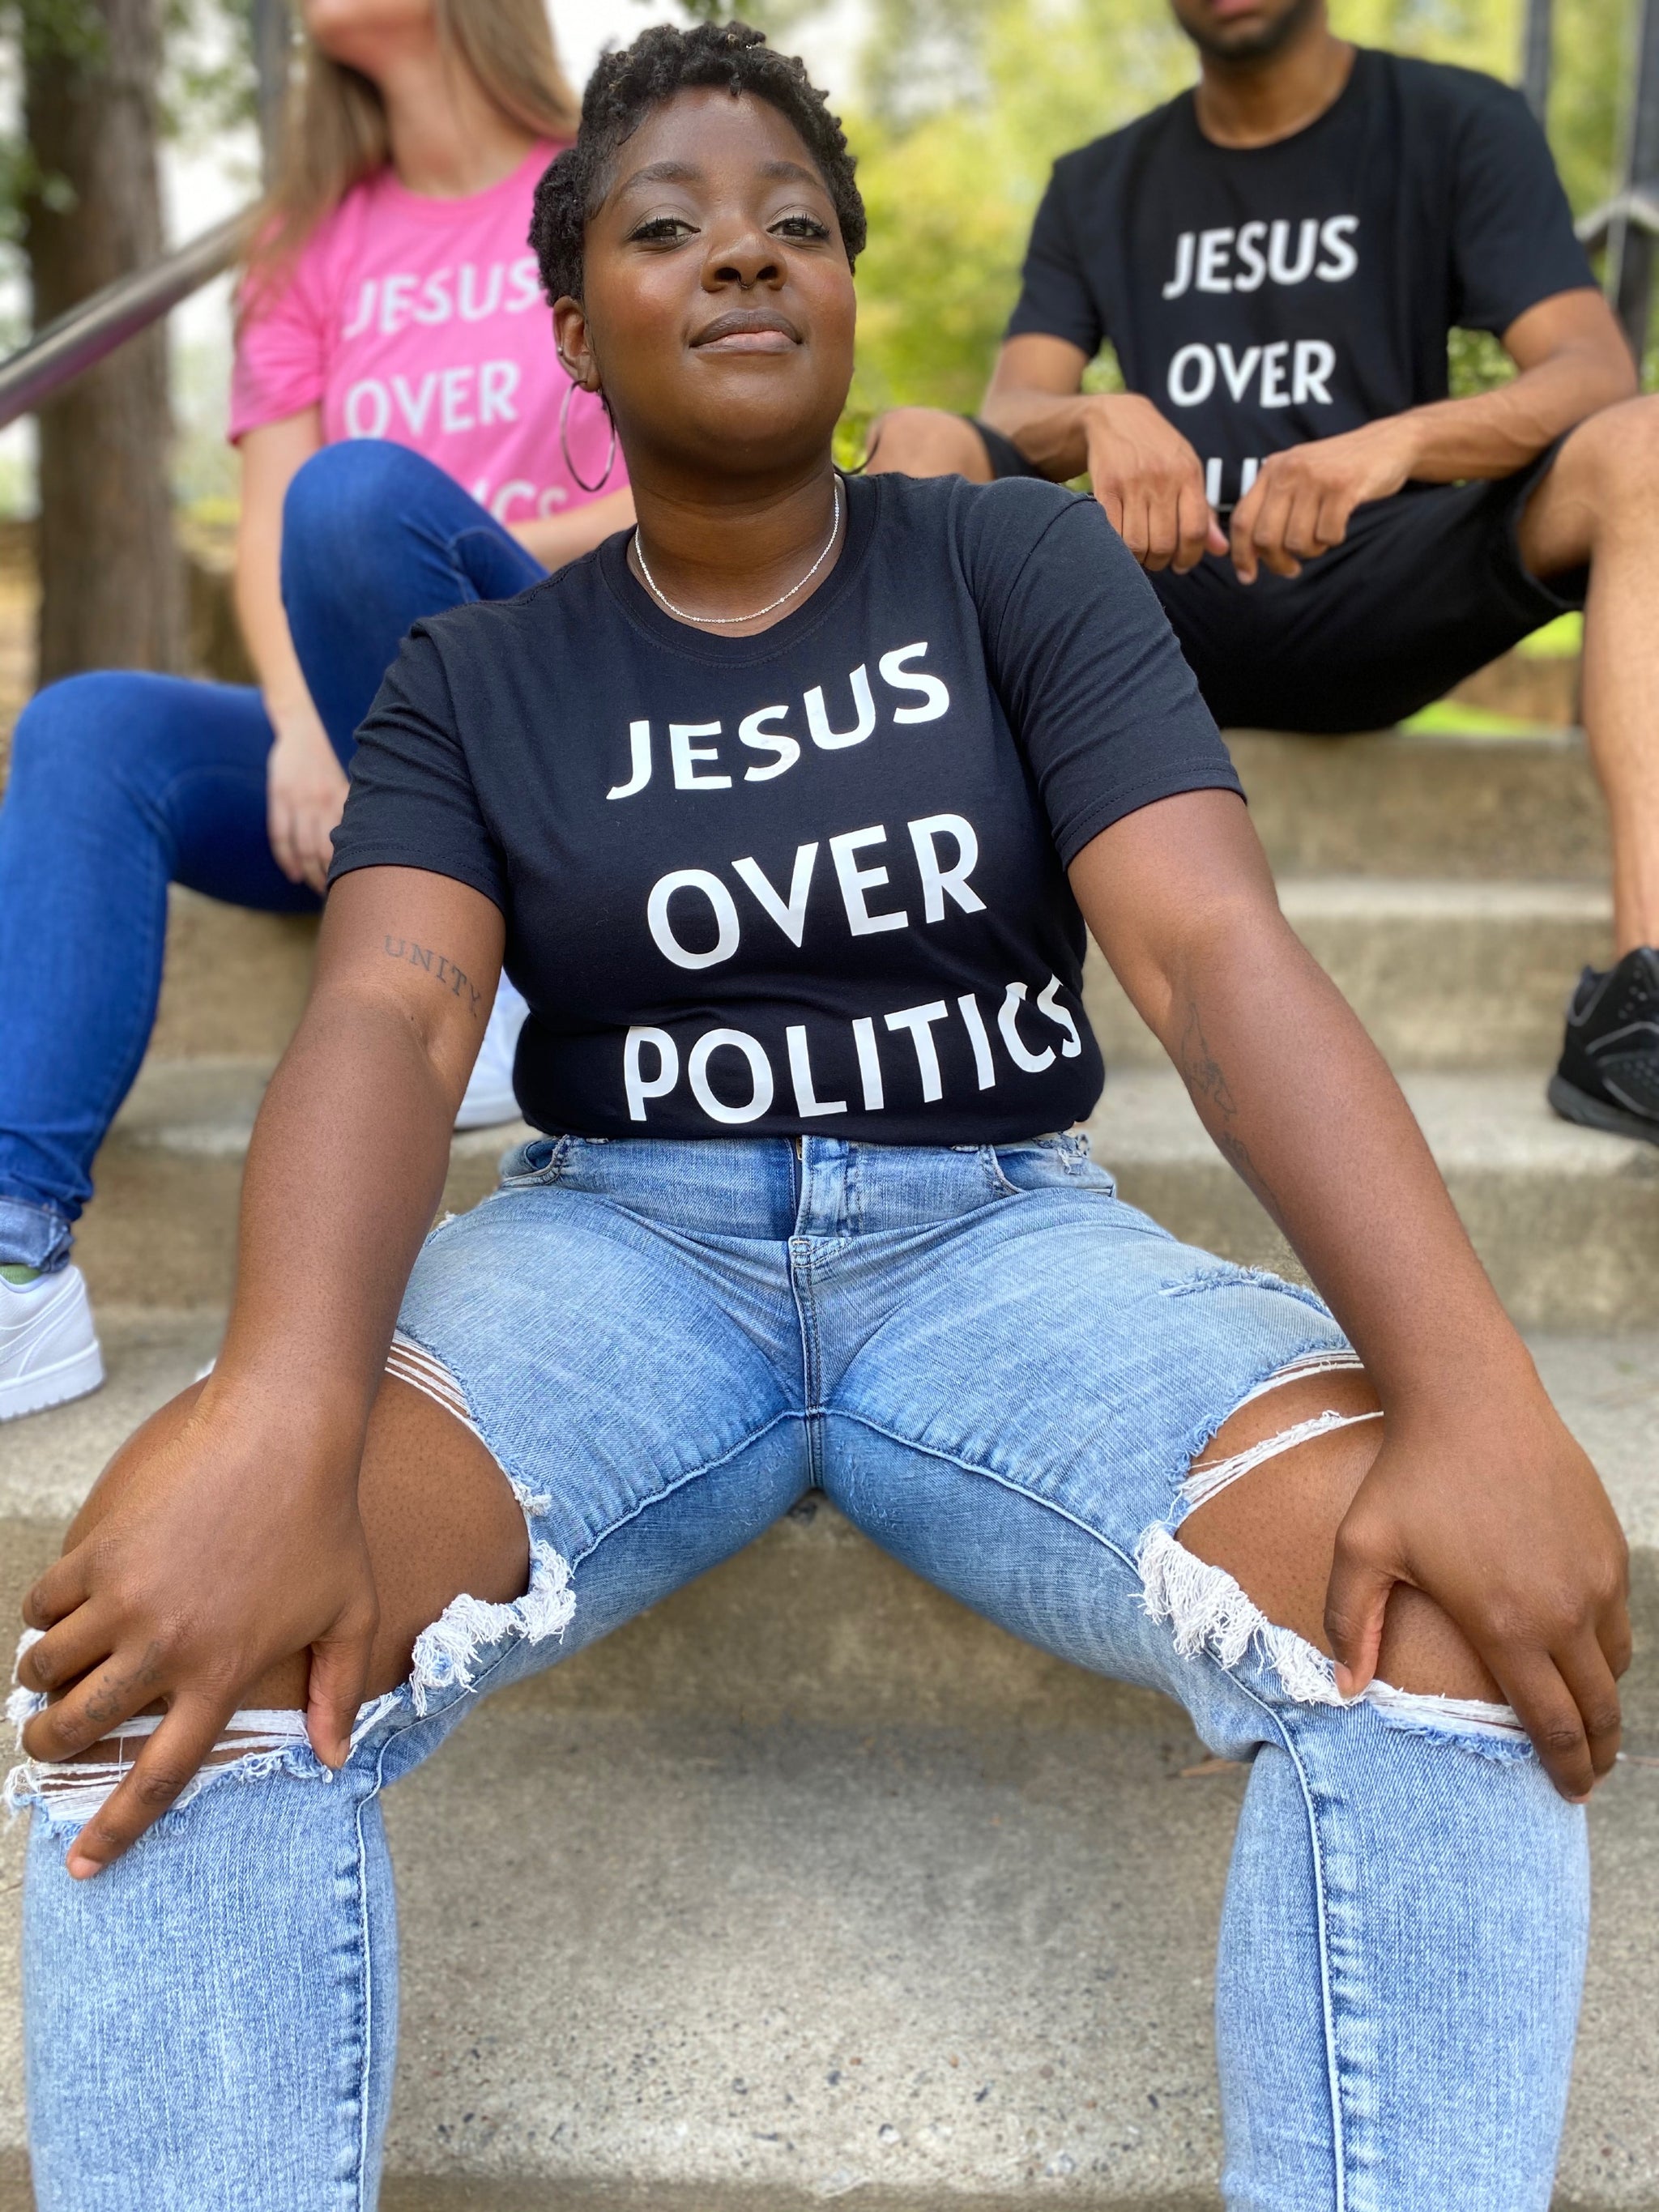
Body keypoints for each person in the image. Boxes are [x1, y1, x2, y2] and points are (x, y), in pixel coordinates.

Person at [9, 25, 1628, 2208]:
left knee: (1436, 1615)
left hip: (996, 1243)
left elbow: (1208, 955)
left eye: (795, 223)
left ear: (849, 290)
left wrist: (1477, 1389)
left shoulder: (1012, 565)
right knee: (162, 1631)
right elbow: (388, 1021)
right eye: (668, 227)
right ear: (572, 324)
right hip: (615, 1250)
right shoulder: (475, 679)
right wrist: (284, 1419)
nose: (745, 255)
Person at [868, 0, 1659, 1150]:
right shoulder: (1099, 179)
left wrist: (1399, 444)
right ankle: (890, 990)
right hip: (1155, 597)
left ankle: (1642, 1005)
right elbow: (1012, 407)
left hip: (1382, 583)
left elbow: (1593, 370)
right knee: (919, 441)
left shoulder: (1455, 122)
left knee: (1644, 446)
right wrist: (1099, 413)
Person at [0, 0, 634, 1421]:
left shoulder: (610, 172)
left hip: (581, 711)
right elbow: (266, 523)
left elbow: (692, 478)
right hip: (363, 743)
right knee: (89, 726)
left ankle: (488, 956)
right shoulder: (307, 243)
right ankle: (14, 1252)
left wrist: (456, 535)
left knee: (363, 502)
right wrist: (298, 726)